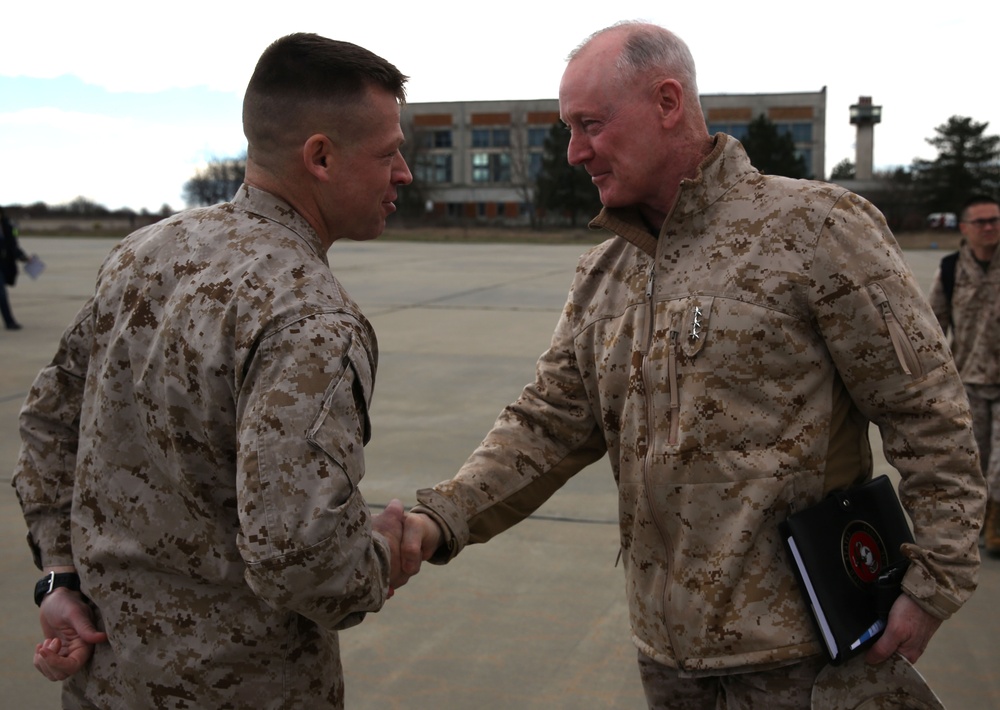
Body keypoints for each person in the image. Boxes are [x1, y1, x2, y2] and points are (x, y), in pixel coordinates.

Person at [400, 21, 986, 708]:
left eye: (590, 124)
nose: (573, 151)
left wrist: (935, 582)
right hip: (669, 660)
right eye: (568, 129)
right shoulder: (604, 274)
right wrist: (439, 519)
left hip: (807, 657)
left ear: (668, 102)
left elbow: (927, 411)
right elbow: (548, 422)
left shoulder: (817, 229)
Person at [12, 33, 414, 708]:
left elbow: (49, 420)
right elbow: (301, 558)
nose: (402, 171)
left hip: (108, 682)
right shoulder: (309, 317)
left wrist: (59, 578)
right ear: (320, 156)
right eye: (388, 152)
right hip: (244, 687)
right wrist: (381, 561)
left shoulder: (147, 253)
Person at [928, 194, 1000, 555]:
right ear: (966, 228)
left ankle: (996, 529)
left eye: (995, 220)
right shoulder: (951, 268)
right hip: (968, 380)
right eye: (982, 222)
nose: (990, 227)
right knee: (975, 460)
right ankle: (977, 521)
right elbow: (933, 326)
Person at [1, 205, 30, 330]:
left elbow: (12, 244)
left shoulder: (7, 226)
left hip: (3, 265)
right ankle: (9, 322)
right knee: (1, 294)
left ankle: (10, 322)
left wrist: (22, 256)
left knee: (1, 294)